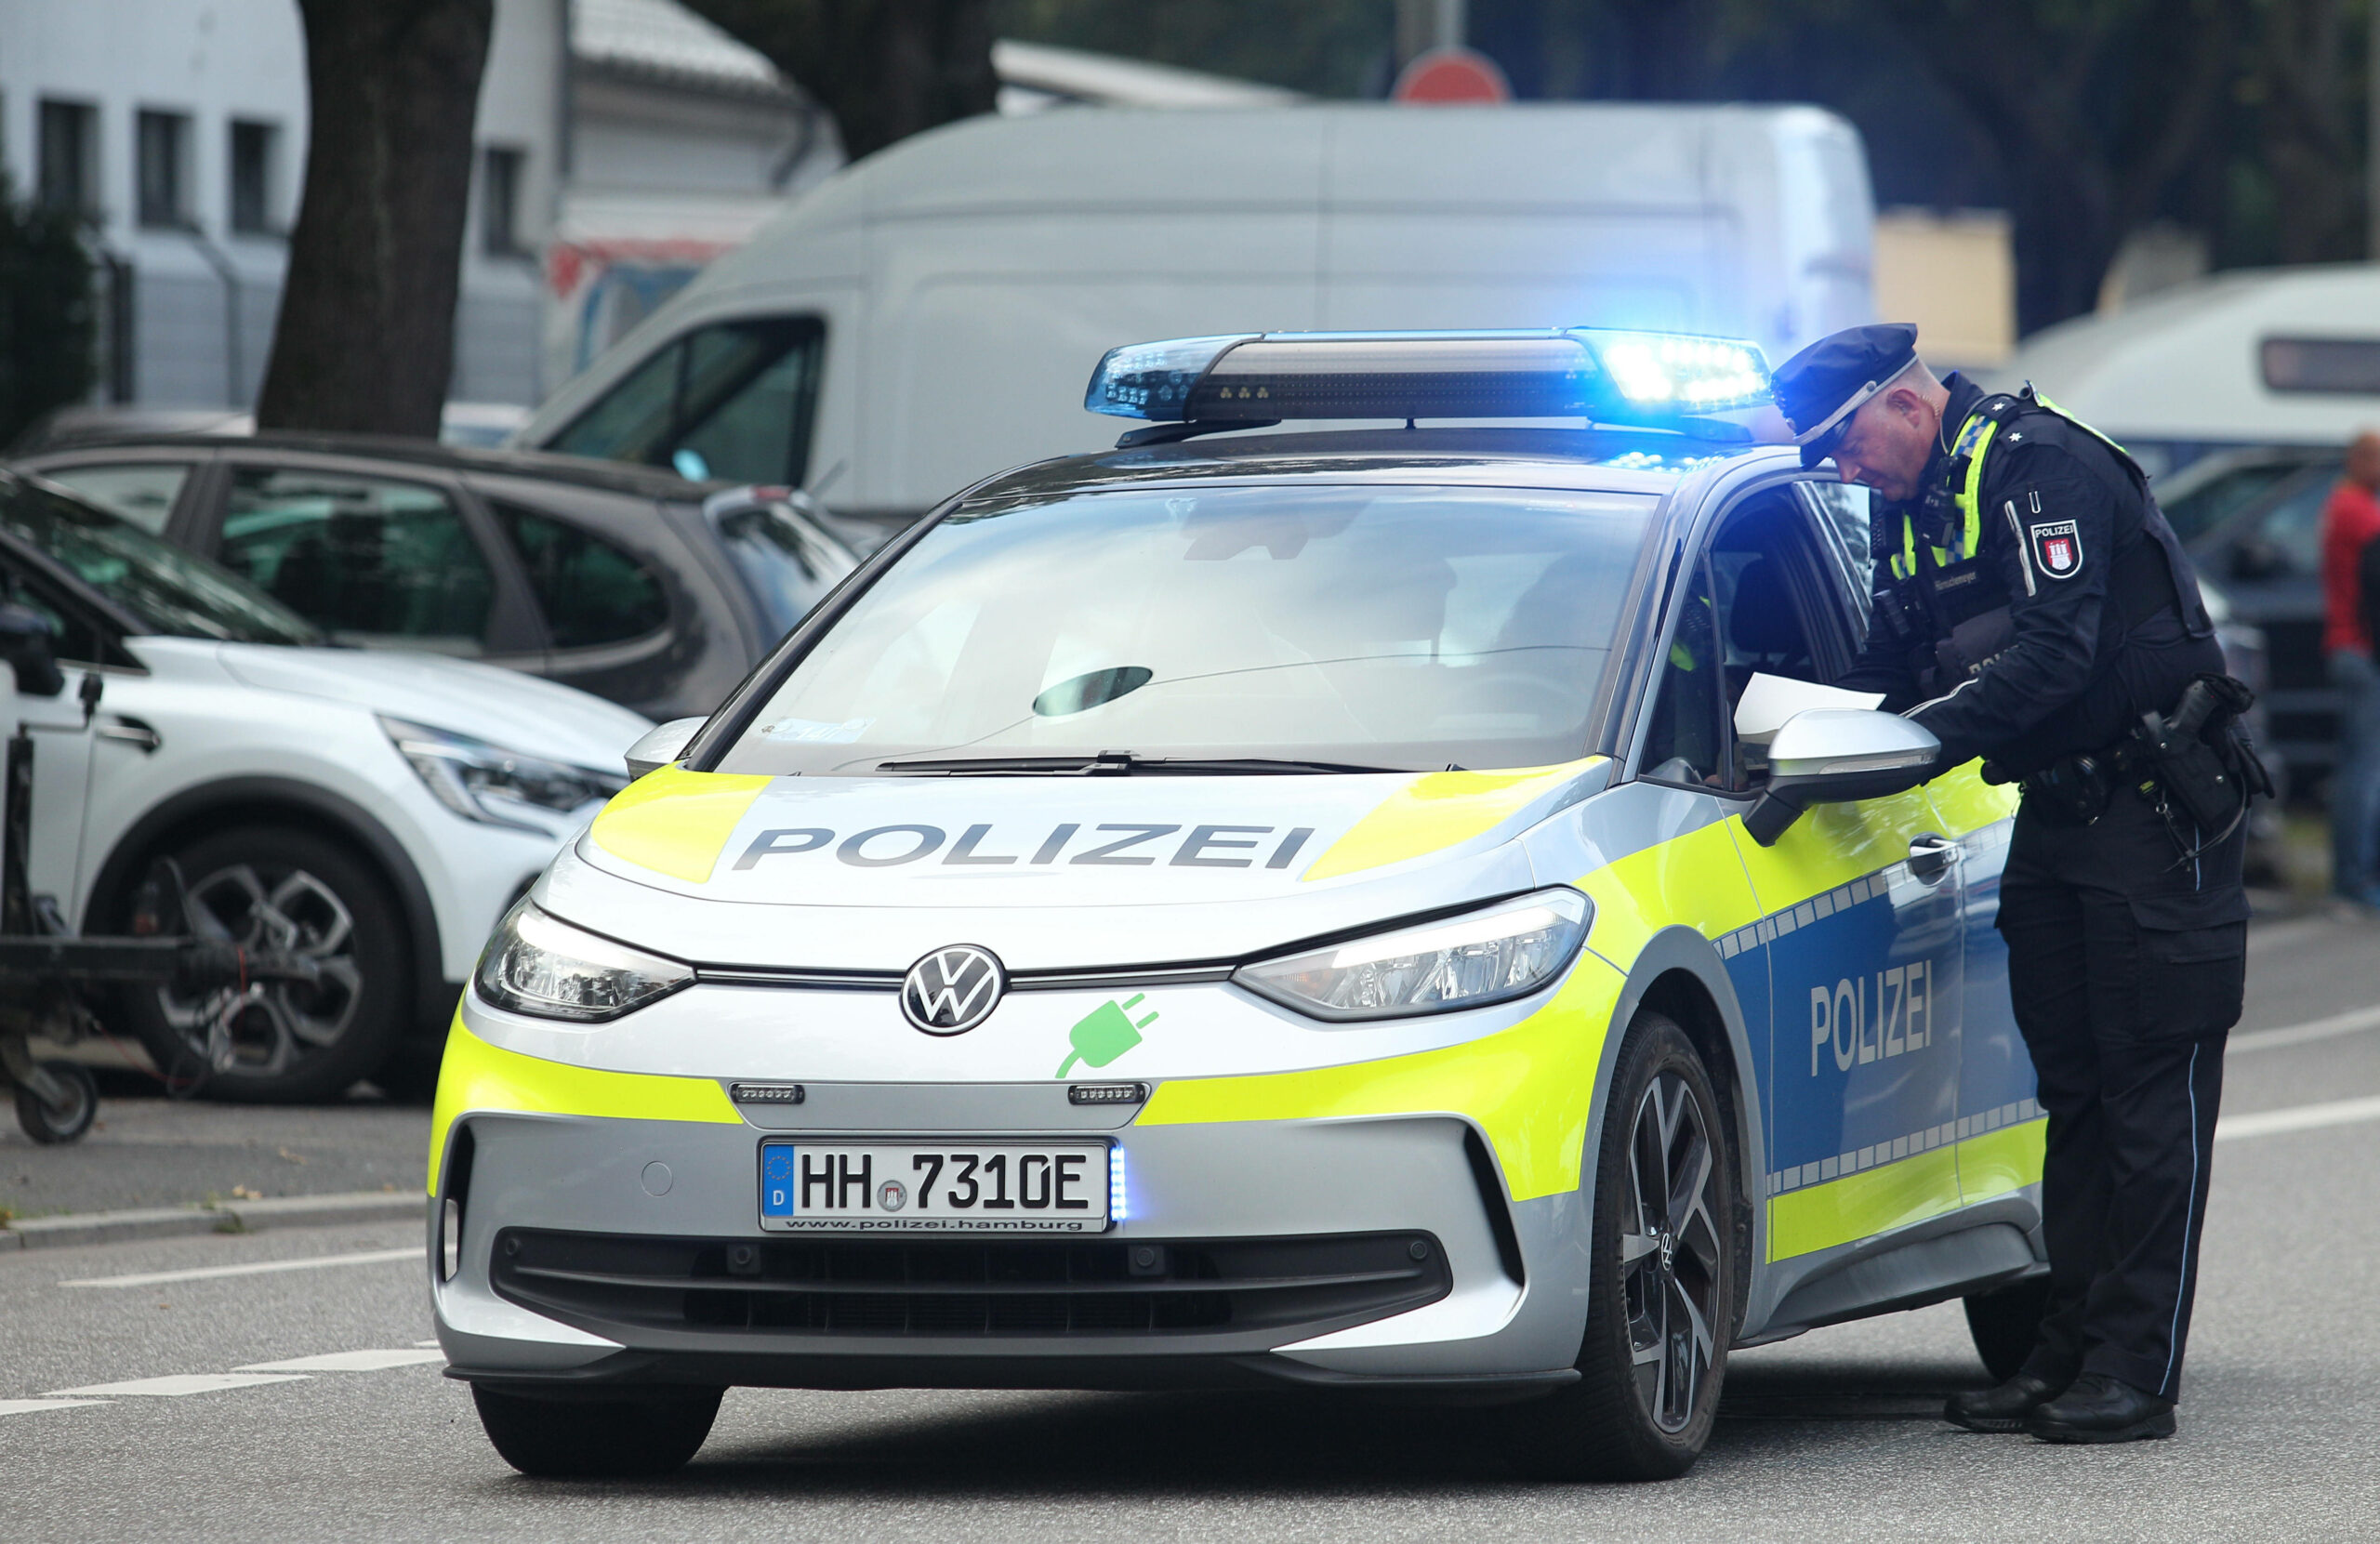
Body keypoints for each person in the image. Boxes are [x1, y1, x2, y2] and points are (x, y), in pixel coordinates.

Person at [1772, 323, 2256, 1445]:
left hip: (2152, 813)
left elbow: (2055, 654)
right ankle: (2063, 1351)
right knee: (2073, 1094)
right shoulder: (1916, 510)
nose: (1840, 469)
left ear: (1902, 404)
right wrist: (1792, 742)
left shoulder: (2043, 467)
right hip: (2057, 815)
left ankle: (2133, 1369)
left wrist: (1912, 744)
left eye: (1842, 442)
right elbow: (1890, 662)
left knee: (2145, 1098)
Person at [2319, 432, 2380, 910]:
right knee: (2364, 771)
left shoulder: (2339, 506)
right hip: (2360, 648)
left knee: (2359, 766)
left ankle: (2355, 877)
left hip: (2347, 647)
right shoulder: (2359, 511)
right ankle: (2354, 880)